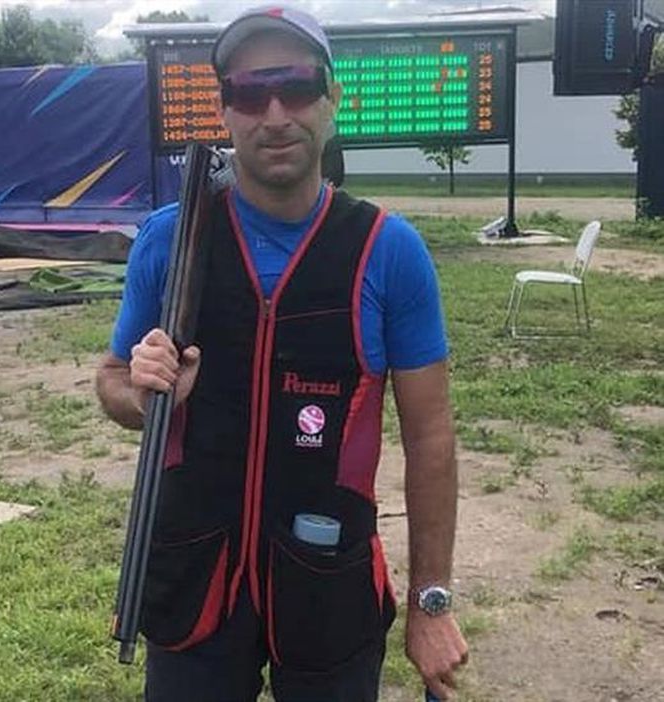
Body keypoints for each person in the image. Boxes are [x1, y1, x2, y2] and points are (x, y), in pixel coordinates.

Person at [96, 6, 468, 701]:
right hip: (194, 584)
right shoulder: (170, 240)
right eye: (249, 93)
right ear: (224, 110)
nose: (274, 115)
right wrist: (140, 392)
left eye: (296, 88)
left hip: (331, 586)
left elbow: (431, 438)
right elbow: (114, 381)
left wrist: (431, 602)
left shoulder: (389, 251)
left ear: (332, 99)